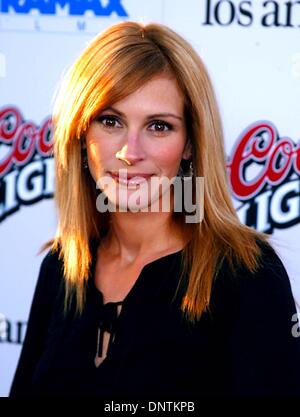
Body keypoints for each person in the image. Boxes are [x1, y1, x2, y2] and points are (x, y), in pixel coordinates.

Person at [10, 21, 300, 398]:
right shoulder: (62, 265)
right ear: (81, 135)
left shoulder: (244, 274)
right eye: (110, 121)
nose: (130, 152)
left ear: (191, 144)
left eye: (159, 126)